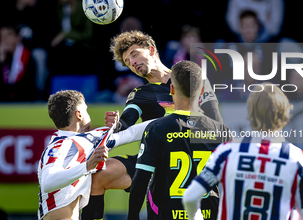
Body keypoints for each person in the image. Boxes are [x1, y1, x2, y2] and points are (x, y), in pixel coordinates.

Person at [82, 30, 223, 220]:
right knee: (98, 176)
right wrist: (116, 124)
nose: (132, 63)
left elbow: (216, 123)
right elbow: (126, 122)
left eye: (134, 54)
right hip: (154, 159)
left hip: (192, 157)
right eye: (127, 62)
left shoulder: (192, 78)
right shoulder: (140, 93)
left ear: (151, 49)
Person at [182, 83, 303, 220]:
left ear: (250, 111)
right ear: (284, 111)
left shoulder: (226, 152)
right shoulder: (298, 160)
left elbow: (190, 197)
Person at [127, 60, 230, 220]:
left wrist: (132, 217)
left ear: (172, 89)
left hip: (165, 214)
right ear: (202, 90)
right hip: (208, 213)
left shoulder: (156, 128)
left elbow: (140, 180)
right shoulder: (221, 131)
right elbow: (229, 182)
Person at [37, 90, 154, 219]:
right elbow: (48, 182)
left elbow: (131, 133)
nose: (89, 115)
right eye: (86, 110)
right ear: (79, 115)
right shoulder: (59, 146)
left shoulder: (92, 138)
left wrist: (172, 119)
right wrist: (87, 166)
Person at [0, 23, 38, 101]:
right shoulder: (3, 57)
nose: (4, 39)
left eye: (9, 35)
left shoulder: (28, 58)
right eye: (1, 36)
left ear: (18, 38)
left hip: (23, 103)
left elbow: (26, 89)